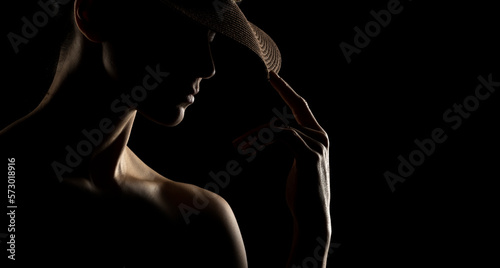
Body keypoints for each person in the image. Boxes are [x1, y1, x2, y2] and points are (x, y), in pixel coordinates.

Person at [0, 0, 331, 267]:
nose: (208, 66)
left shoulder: (200, 219)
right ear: (92, 13)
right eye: (182, 31)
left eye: (211, 37)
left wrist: (313, 234)